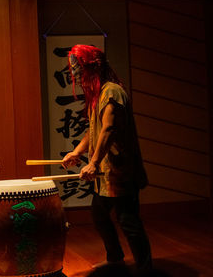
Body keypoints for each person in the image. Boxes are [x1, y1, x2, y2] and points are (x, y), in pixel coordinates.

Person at [62, 45, 152, 271]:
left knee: (128, 220)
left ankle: (145, 268)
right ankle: (115, 257)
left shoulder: (111, 91)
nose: (74, 74)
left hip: (121, 171)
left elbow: (109, 129)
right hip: (106, 172)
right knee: (99, 215)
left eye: (77, 68)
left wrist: (92, 163)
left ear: (91, 67)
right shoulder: (98, 94)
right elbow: (93, 131)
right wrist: (77, 152)